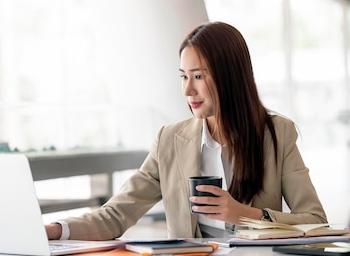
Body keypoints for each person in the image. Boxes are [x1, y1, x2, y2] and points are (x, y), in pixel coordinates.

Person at [45, 21, 328, 240]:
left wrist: (247, 215)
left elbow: (315, 221)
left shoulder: (277, 134)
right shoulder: (170, 140)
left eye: (198, 76)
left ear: (229, 76)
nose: (187, 90)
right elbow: (116, 215)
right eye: (183, 76)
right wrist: (54, 230)